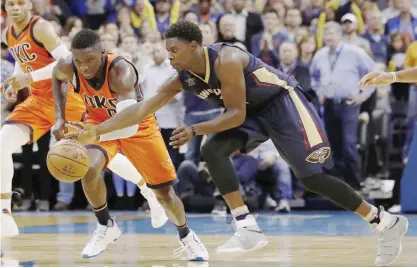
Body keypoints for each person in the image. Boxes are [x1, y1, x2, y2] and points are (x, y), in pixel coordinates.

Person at [66, 21, 408, 266]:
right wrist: (95, 133)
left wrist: (196, 127)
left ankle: (385, 223)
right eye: (167, 50)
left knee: (312, 179)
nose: (169, 56)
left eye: (174, 50)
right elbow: (142, 107)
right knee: (212, 150)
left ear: (194, 47)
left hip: (282, 104)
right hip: (251, 114)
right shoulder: (182, 76)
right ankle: (246, 226)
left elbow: (233, 114)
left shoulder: (226, 60)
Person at [0, 0, 167, 250]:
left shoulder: (41, 28)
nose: (14, 7)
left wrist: (29, 76)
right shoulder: (7, 32)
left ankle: (148, 191)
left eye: (20, 3)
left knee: (97, 152)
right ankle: (4, 212)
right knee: (3, 141)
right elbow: (20, 60)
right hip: (37, 100)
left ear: (30, 7)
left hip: (66, 99)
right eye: (10, 3)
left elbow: (65, 63)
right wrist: (16, 81)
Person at [52, 29, 208, 261]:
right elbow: (56, 75)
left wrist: (93, 135)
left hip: (138, 126)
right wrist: (60, 116)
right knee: (89, 168)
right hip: (97, 121)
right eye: (79, 61)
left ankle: (186, 236)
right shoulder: (69, 65)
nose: (84, 67)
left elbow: (128, 126)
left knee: (165, 194)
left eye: (90, 60)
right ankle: (106, 226)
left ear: (102, 52)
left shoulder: (120, 71)